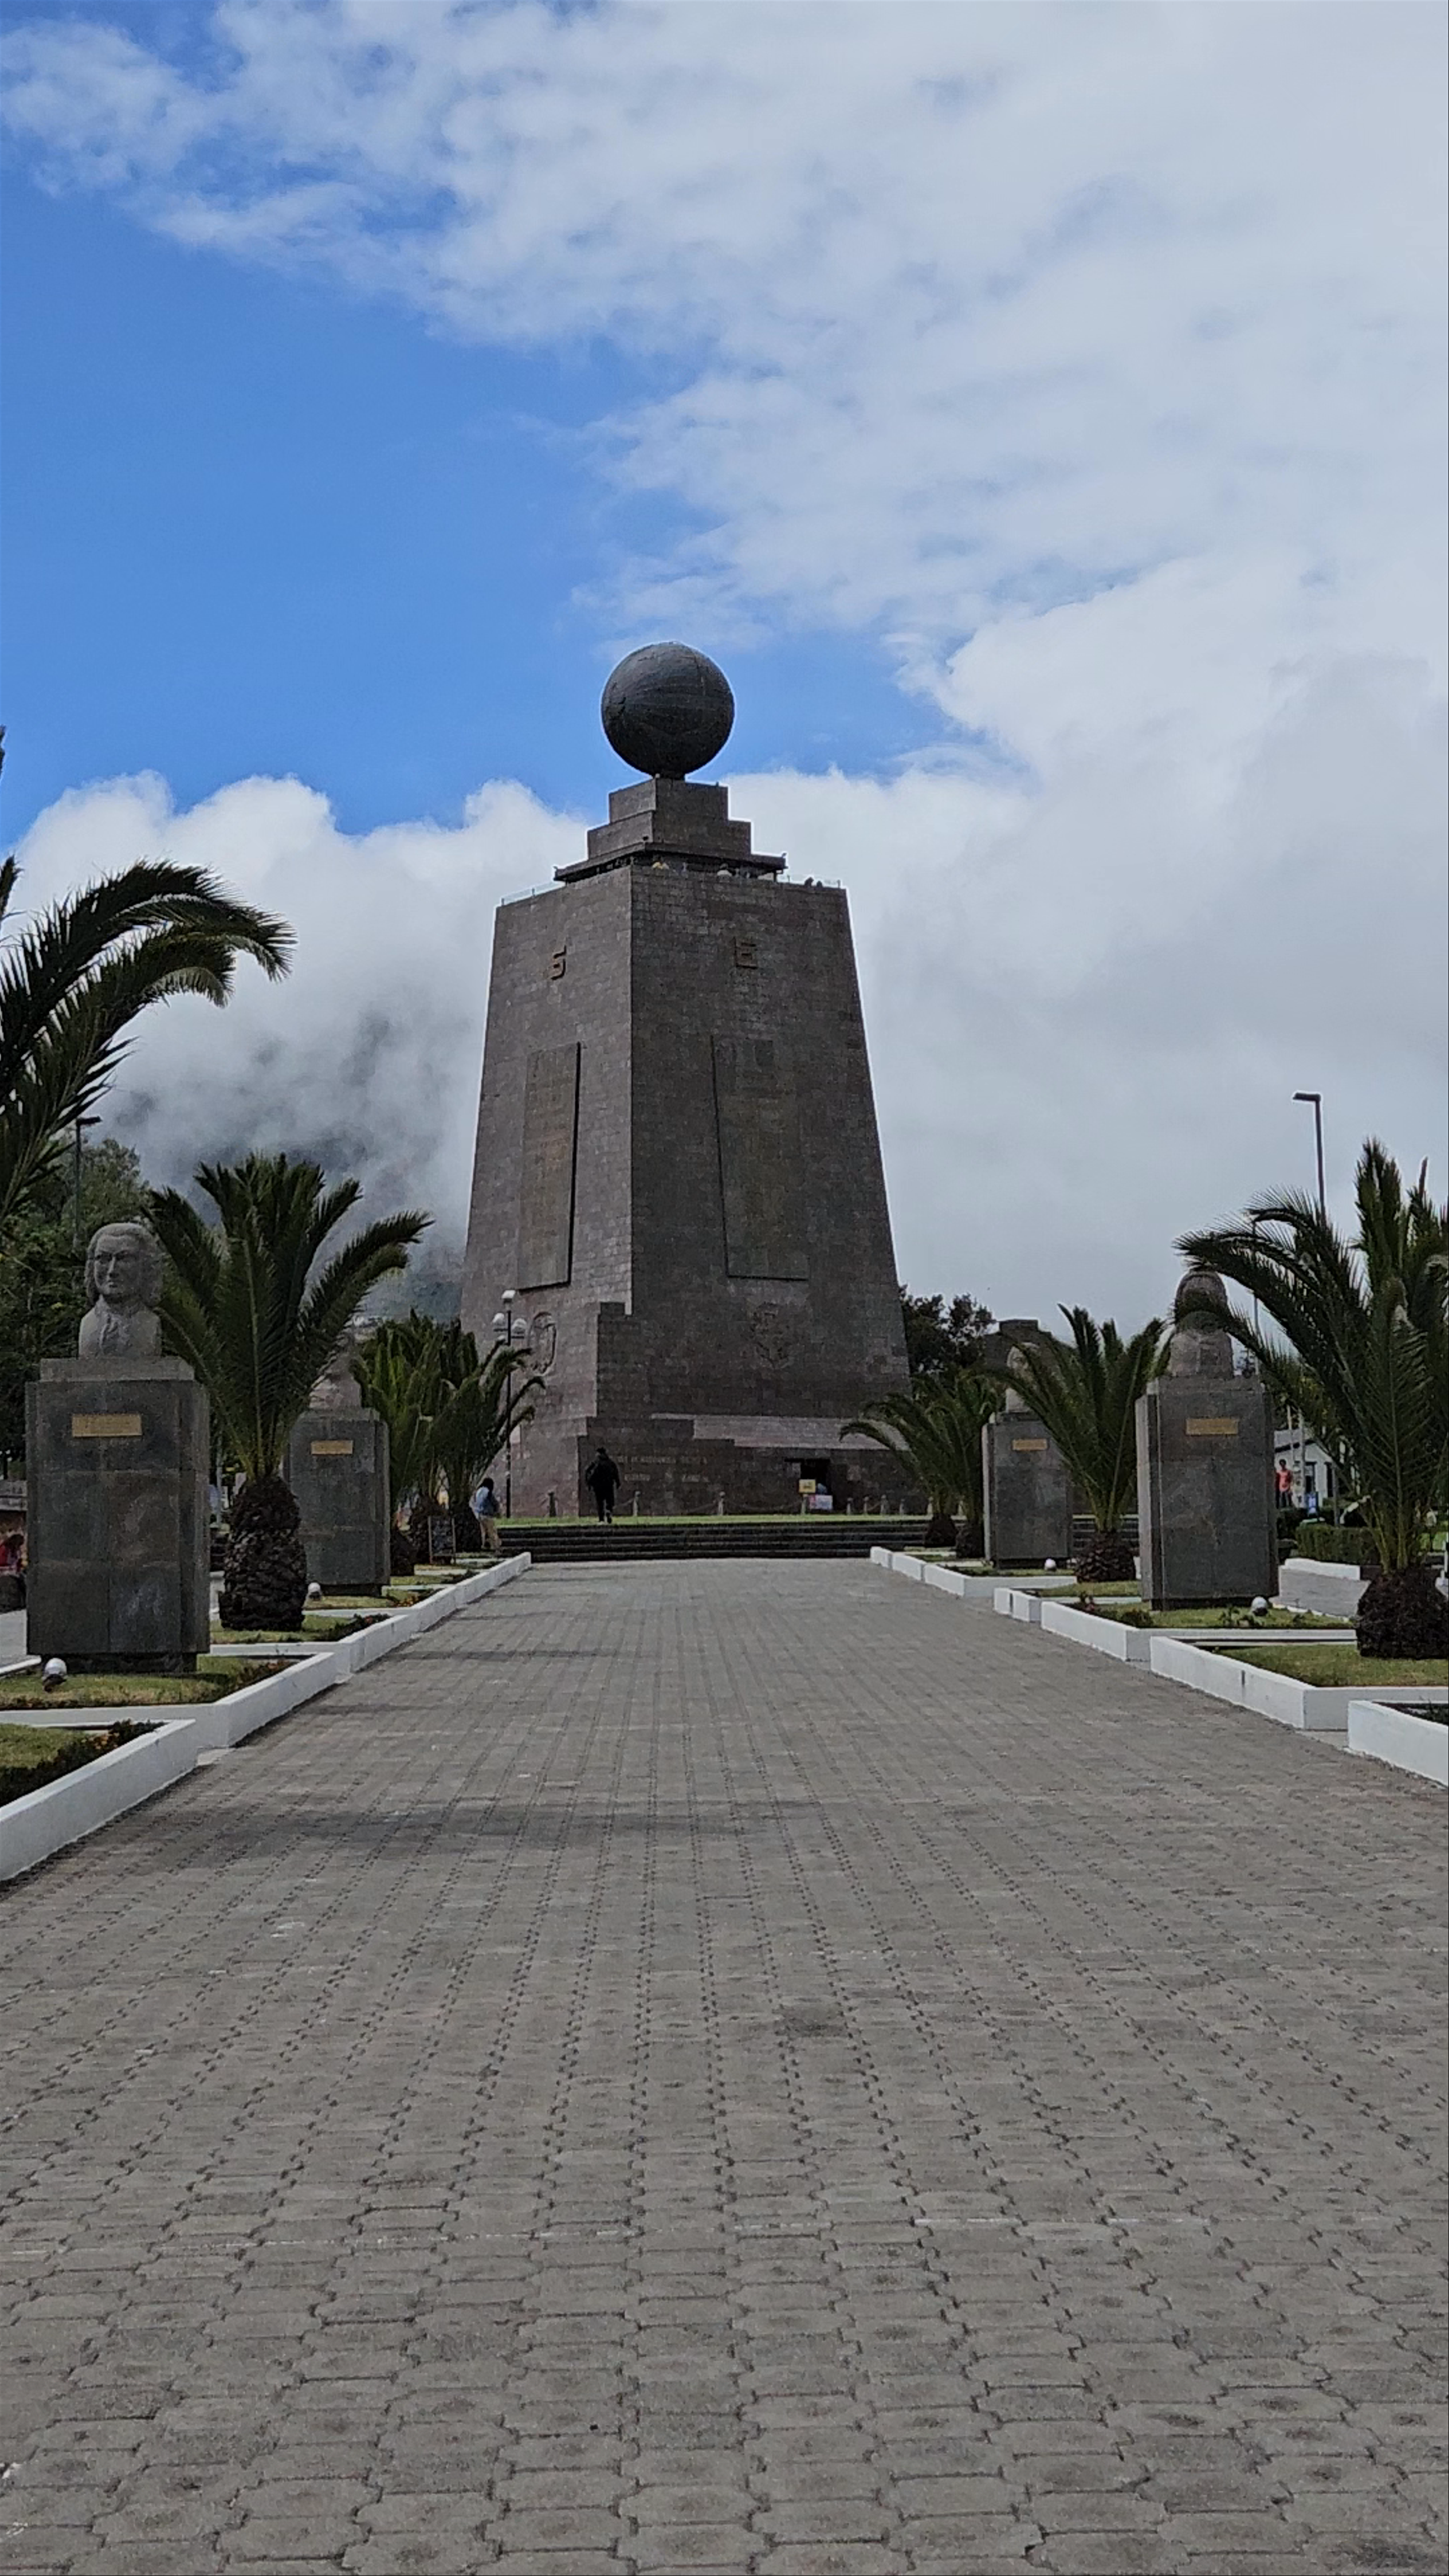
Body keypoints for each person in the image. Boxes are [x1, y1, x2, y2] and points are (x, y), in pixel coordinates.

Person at [584, 1446, 621, 1524]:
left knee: (600, 1503)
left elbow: (587, 1471)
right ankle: (609, 1512)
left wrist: (589, 1483)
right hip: (609, 1486)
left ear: (598, 1454)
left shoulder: (596, 1463)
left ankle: (601, 1519)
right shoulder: (611, 1463)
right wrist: (618, 1483)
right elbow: (616, 1473)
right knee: (609, 1502)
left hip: (598, 1487)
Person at [472, 1476, 502, 1556]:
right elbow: (494, 1503)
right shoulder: (488, 1492)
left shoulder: (478, 1491)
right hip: (488, 1515)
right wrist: (497, 1511)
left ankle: (483, 1547)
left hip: (479, 1515)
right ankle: (496, 1548)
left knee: (483, 1532)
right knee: (492, 1532)